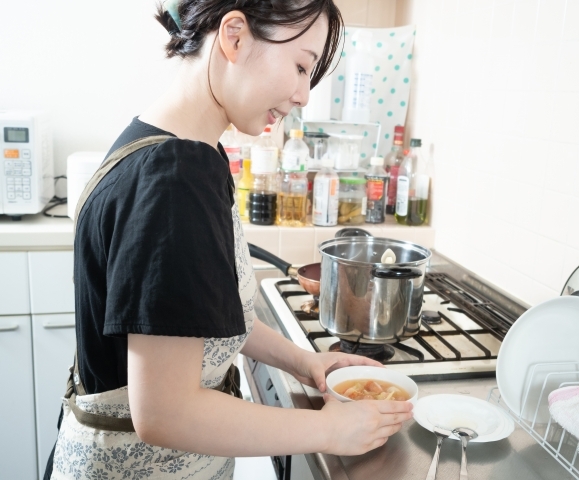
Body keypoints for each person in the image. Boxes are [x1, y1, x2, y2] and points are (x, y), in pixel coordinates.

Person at [45, 1, 413, 478]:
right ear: (234, 36)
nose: (303, 95)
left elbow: (191, 320)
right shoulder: (175, 177)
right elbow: (166, 413)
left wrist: (304, 362)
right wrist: (329, 430)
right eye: (301, 66)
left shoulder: (175, 149)